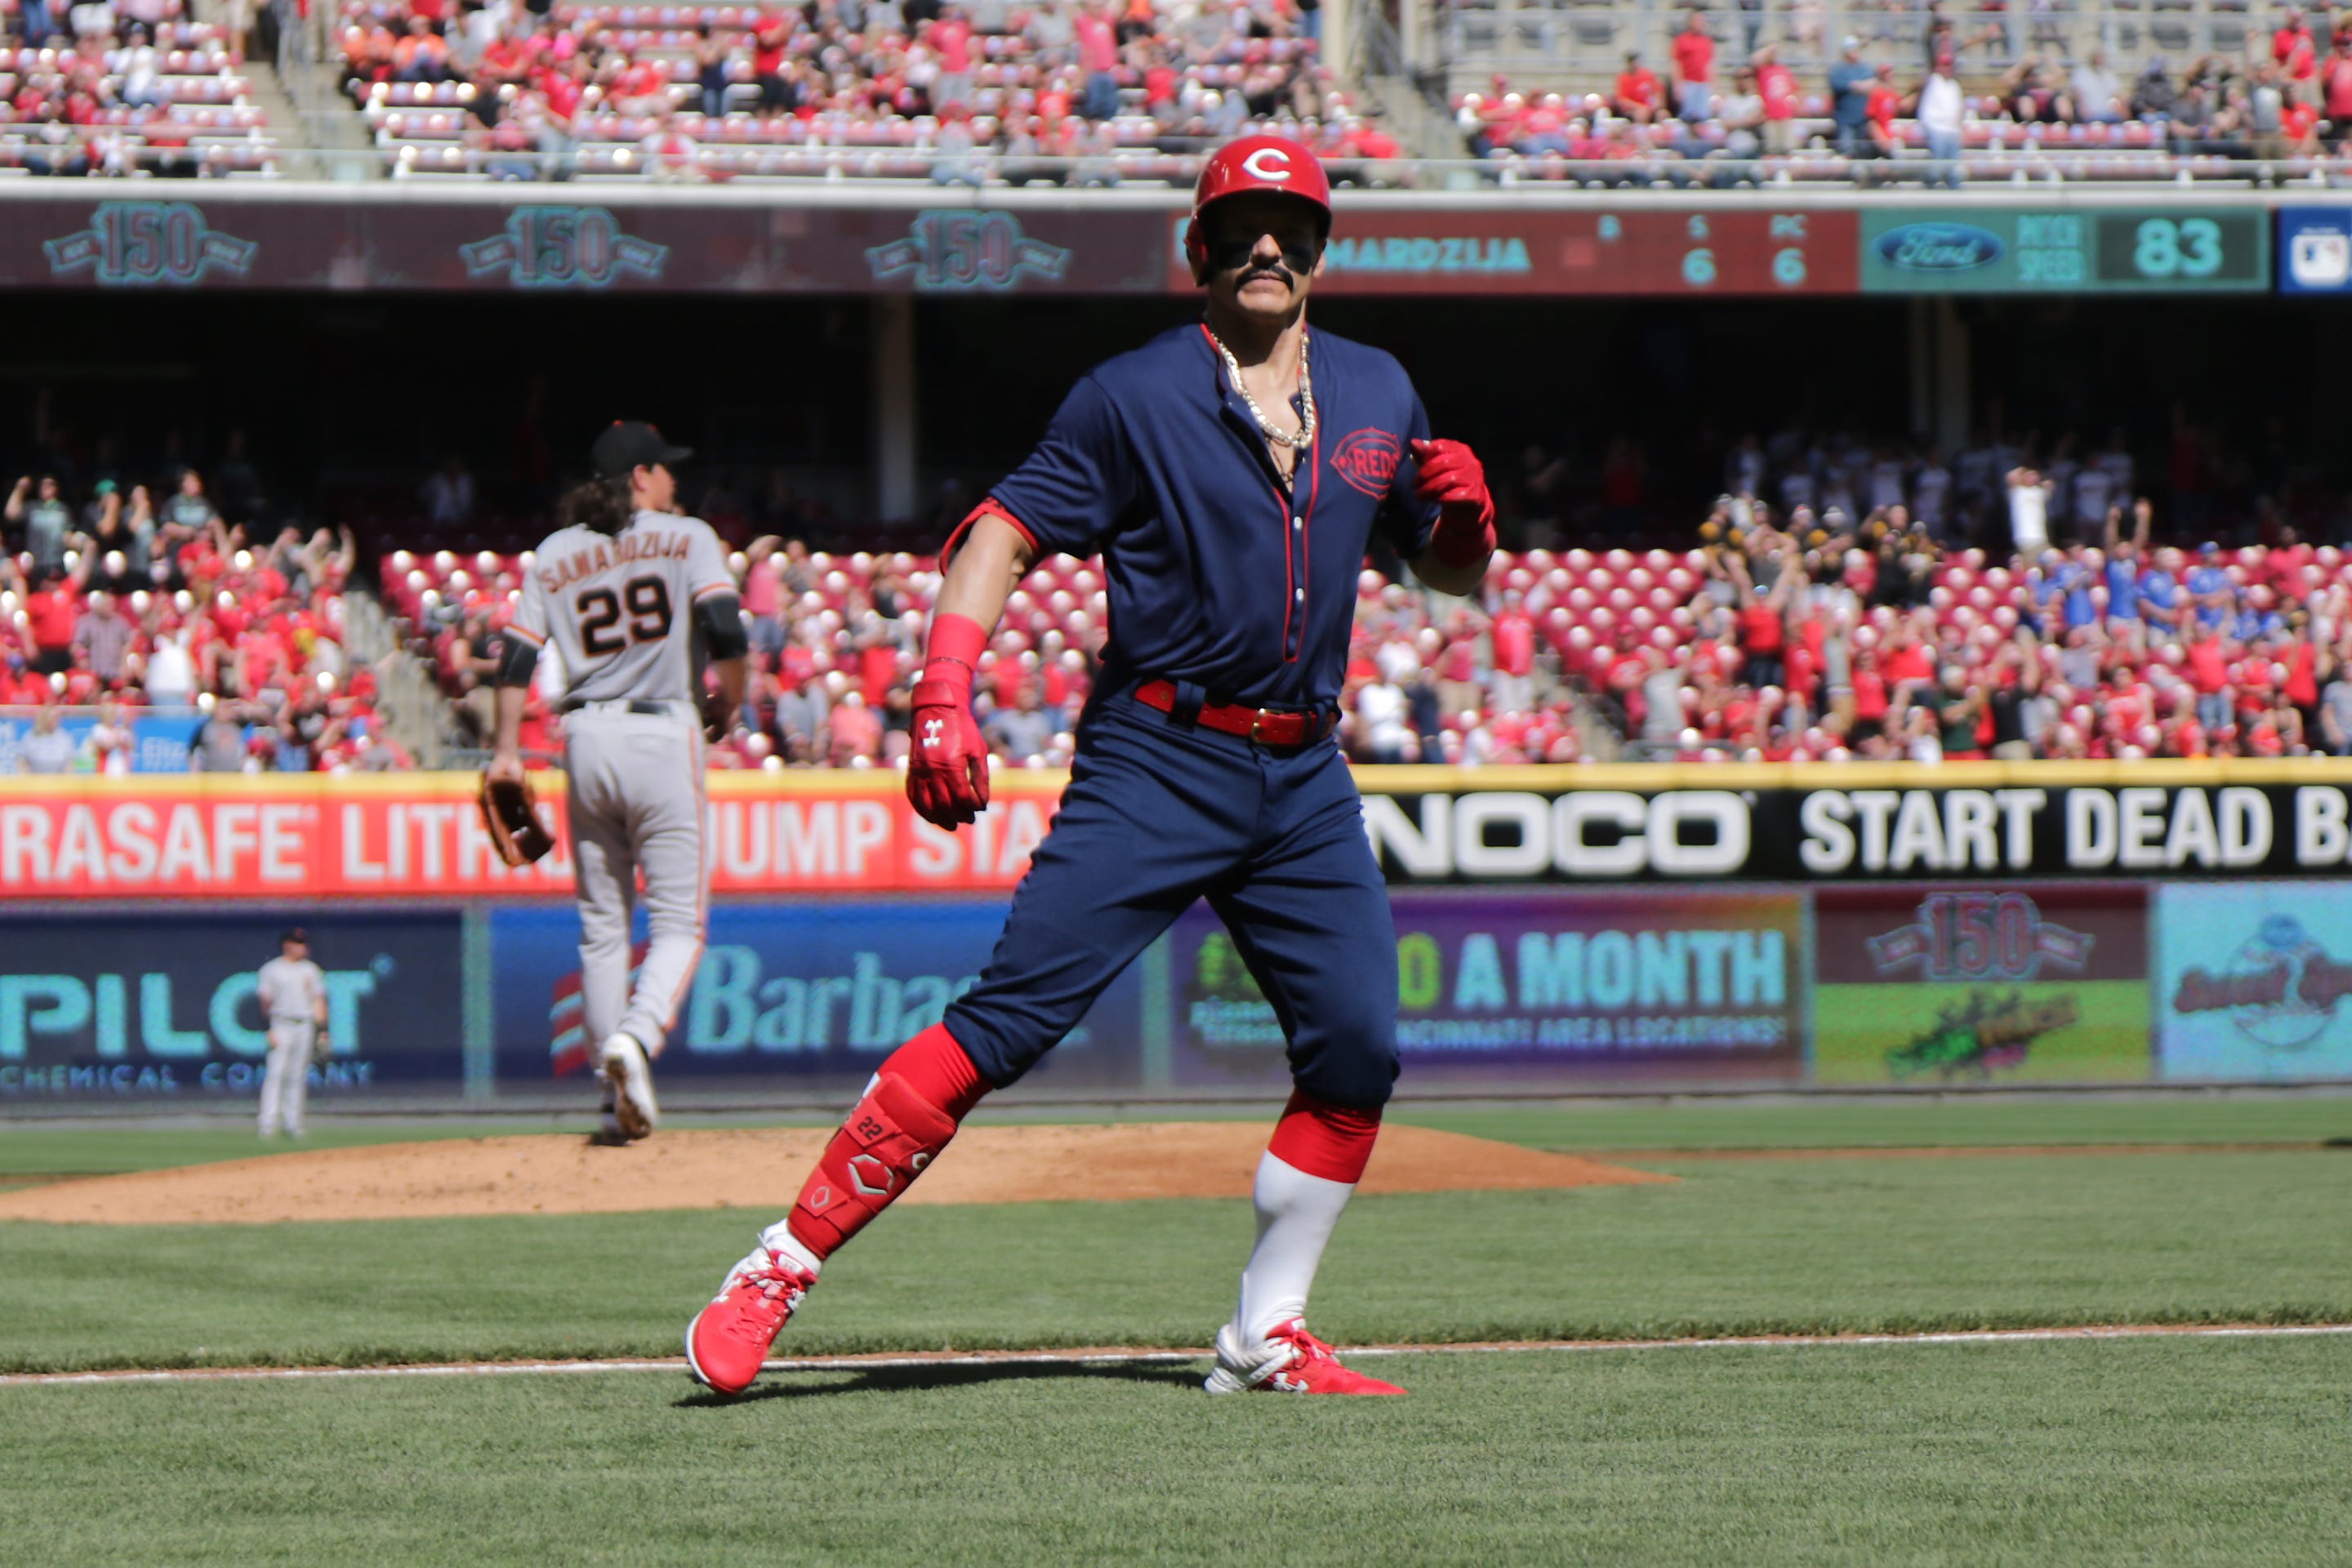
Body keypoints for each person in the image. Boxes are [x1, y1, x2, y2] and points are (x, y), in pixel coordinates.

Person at [682, 134, 1495, 1401]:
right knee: (1009, 1022)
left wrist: (1463, 530)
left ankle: (1264, 1332)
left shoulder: (1381, 390)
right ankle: (778, 1265)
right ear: (1200, 254)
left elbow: (1442, 569)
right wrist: (942, 689)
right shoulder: (1131, 394)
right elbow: (998, 535)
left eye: (1290, 225)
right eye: (1240, 226)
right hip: (1158, 757)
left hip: (1302, 775)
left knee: (1356, 1048)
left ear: (1325, 249)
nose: (1266, 246)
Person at [490, 423, 747, 1143]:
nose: (673, 481)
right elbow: (726, 628)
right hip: (662, 731)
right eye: (664, 470)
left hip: (583, 738)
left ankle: (610, 1098)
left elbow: (514, 658)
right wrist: (729, 698)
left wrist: (506, 753)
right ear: (639, 477)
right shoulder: (685, 534)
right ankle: (635, 1039)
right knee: (678, 924)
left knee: (602, 931)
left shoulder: (553, 553)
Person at [256, 928, 327, 1139]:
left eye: (304, 943)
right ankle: (268, 1123)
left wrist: (322, 1030)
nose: (303, 947)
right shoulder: (272, 969)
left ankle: (293, 1122)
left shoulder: (310, 970)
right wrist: (267, 1028)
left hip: (304, 1023)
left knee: (297, 1075)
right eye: (299, 943)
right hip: (281, 1022)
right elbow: (265, 1003)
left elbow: (318, 1000)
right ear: (287, 945)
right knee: (276, 1073)